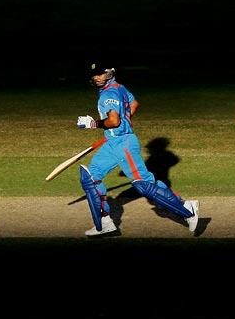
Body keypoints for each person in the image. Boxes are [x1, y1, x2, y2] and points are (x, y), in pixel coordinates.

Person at [76, 61, 199, 236]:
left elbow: (114, 121)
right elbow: (134, 104)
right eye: (94, 74)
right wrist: (124, 122)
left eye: (100, 73)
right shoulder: (119, 88)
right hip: (112, 144)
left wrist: (92, 123)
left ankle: (187, 208)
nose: (96, 77)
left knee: (143, 185)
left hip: (123, 143)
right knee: (90, 178)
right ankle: (104, 224)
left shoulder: (108, 93)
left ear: (109, 72)